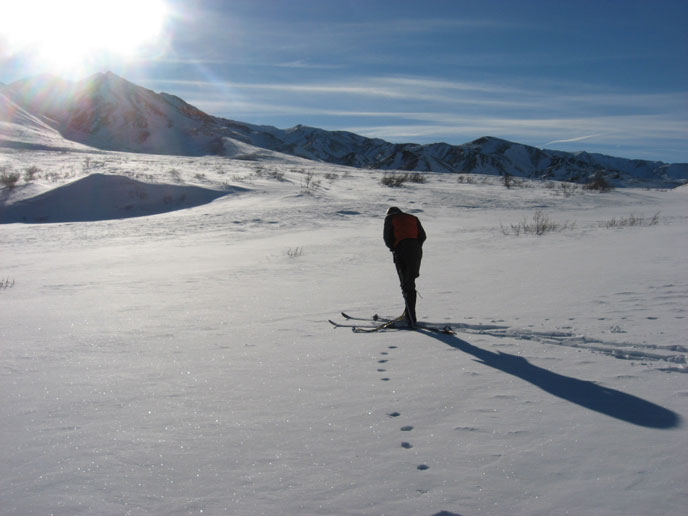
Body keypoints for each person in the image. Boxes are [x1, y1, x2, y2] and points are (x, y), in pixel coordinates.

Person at [383, 206, 426, 327]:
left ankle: (411, 319)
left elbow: (387, 238)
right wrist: (416, 246)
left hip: (401, 250)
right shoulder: (413, 218)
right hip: (416, 251)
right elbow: (423, 236)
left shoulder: (390, 218)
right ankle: (409, 313)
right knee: (409, 283)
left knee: (406, 284)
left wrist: (394, 248)